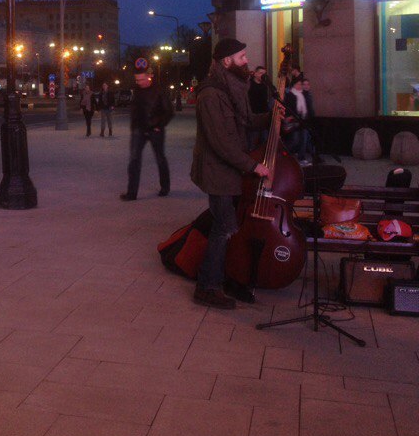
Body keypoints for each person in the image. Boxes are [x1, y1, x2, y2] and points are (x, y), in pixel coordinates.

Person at [191, 38, 273, 309]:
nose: (246, 61)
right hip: (217, 173)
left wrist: (272, 118)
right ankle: (207, 287)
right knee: (224, 227)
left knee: (226, 225)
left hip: (230, 172)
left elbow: (247, 122)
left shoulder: (233, 88)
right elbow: (221, 143)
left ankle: (224, 277)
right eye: (241, 57)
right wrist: (253, 166)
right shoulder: (211, 94)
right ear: (226, 61)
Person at [120, 59, 174, 201]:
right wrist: (134, 127)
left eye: (142, 79)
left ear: (149, 76)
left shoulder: (159, 90)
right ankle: (132, 193)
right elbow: (136, 109)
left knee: (160, 158)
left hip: (155, 130)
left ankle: (165, 187)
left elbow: (169, 111)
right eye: (137, 80)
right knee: (134, 160)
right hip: (139, 130)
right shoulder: (137, 90)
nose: (139, 82)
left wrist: (158, 125)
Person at [283, 76, 314, 165]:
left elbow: (307, 108)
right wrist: (289, 116)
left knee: (303, 140)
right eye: (299, 84)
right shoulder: (290, 95)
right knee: (295, 140)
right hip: (294, 121)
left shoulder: (303, 94)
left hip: (303, 121)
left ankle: (301, 158)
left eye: (301, 84)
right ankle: (283, 153)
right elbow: (288, 108)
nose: (300, 86)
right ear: (294, 85)